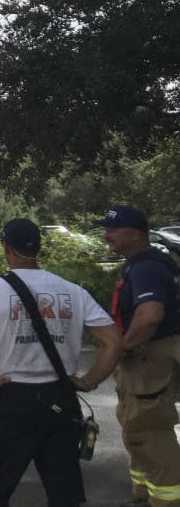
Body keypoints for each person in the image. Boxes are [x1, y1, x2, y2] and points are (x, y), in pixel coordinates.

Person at [0, 218, 122, 507]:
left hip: (13, 401)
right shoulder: (73, 292)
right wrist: (90, 380)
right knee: (64, 491)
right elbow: (113, 341)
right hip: (61, 398)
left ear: (7, 248)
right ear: (37, 249)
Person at [98, 205, 180, 507]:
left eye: (113, 229)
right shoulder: (142, 262)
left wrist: (121, 348)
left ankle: (168, 500)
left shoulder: (147, 266)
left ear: (135, 234)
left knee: (150, 431)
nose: (106, 235)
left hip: (150, 359)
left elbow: (149, 316)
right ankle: (144, 494)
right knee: (136, 427)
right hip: (146, 359)